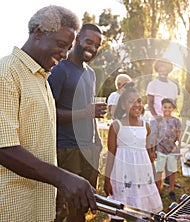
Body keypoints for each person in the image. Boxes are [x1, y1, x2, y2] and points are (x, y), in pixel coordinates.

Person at [0, 5, 98, 222]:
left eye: (68, 48)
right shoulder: (6, 73)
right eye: (61, 45)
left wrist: (60, 183)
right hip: (13, 205)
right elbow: (4, 147)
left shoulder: (42, 77)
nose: (64, 55)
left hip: (39, 200)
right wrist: (61, 177)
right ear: (38, 32)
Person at [48, 23, 106, 221]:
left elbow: (89, 111)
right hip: (66, 148)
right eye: (89, 41)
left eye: (97, 45)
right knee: (65, 207)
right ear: (78, 39)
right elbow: (49, 113)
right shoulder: (59, 70)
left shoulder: (90, 73)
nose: (92, 48)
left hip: (88, 148)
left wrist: (97, 143)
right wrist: (84, 113)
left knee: (83, 204)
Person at [104, 86, 163, 221]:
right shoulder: (116, 126)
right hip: (121, 174)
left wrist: (154, 173)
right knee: (117, 212)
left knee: (144, 211)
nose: (137, 105)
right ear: (123, 106)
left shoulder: (146, 126)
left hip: (142, 174)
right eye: (131, 101)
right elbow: (111, 154)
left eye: (139, 101)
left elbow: (148, 152)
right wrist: (107, 179)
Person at [146, 59, 180, 188]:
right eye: (160, 67)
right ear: (157, 68)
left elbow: (173, 104)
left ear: (169, 68)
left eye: (165, 67)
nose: (162, 69)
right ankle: (153, 179)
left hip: (169, 122)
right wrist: (156, 117)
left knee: (168, 149)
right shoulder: (152, 84)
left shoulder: (173, 86)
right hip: (156, 122)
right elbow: (149, 103)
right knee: (154, 150)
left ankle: (167, 179)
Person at [152, 98, 182, 201]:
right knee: (159, 170)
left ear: (173, 108)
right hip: (161, 149)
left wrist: (179, 148)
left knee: (172, 171)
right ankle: (158, 190)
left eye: (169, 107)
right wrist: (154, 149)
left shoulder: (176, 121)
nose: (167, 109)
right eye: (165, 107)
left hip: (172, 149)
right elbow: (155, 135)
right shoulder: (159, 120)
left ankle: (172, 190)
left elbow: (178, 136)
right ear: (162, 108)